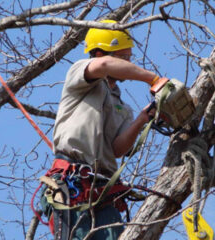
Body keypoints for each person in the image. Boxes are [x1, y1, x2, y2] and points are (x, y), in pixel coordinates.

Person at [41, 19, 160, 240]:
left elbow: (117, 149)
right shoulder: (80, 76)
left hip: (102, 189)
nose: (128, 63)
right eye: (123, 58)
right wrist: (153, 79)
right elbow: (103, 67)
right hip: (72, 183)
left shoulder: (123, 108)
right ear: (99, 54)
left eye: (128, 58)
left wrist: (143, 119)